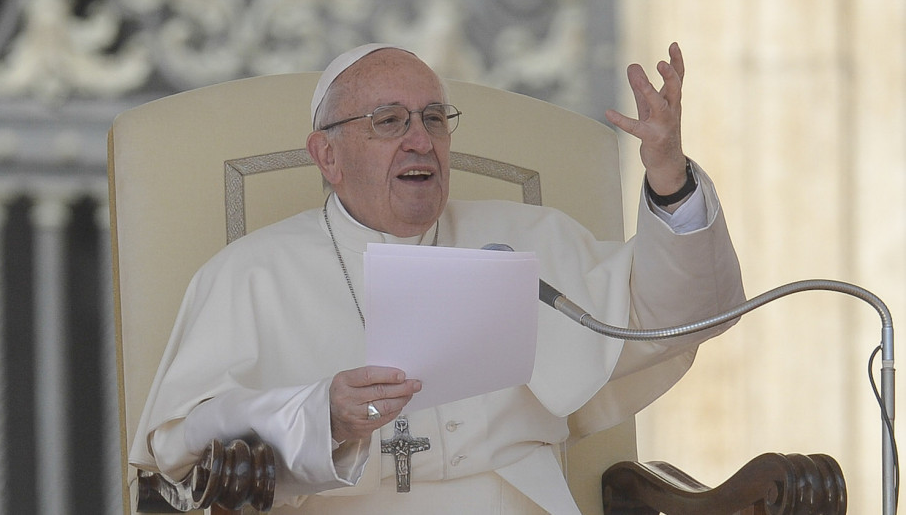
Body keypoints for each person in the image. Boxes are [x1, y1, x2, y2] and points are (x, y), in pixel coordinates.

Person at [129, 43, 745, 514]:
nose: (421, 141)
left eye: (433, 119)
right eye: (390, 121)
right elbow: (180, 442)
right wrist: (321, 414)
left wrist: (669, 177)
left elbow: (680, 316)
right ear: (327, 155)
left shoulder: (530, 239)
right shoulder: (250, 275)